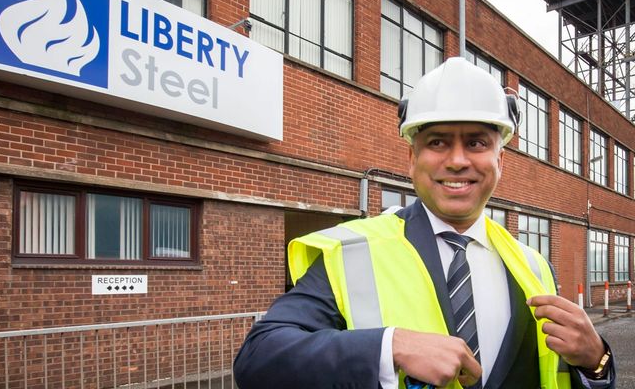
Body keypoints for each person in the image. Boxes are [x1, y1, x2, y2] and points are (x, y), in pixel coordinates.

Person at [233, 57, 615, 389]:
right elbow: (259, 359)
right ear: (411, 160)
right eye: (437, 143)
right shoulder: (350, 253)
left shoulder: (534, 267)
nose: (457, 161)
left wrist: (596, 362)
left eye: (477, 143)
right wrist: (390, 346)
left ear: (500, 162)